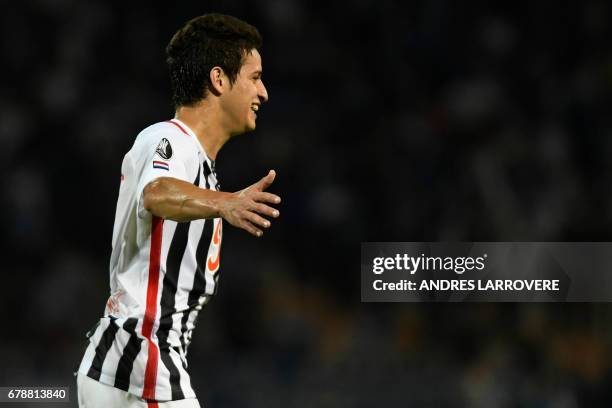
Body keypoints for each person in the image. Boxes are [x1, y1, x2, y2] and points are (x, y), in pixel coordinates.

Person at [76, 13, 280, 408]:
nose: (264, 92)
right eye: (255, 77)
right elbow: (157, 192)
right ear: (219, 80)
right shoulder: (169, 138)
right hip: (142, 358)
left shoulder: (199, 164)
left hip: (132, 359)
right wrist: (227, 204)